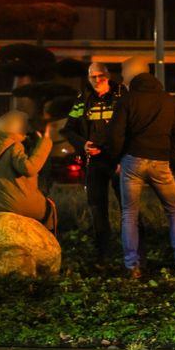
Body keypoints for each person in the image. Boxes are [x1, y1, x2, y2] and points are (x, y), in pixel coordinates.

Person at [102, 72, 175, 278]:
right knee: (174, 211)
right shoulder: (169, 101)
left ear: (134, 86)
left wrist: (116, 158)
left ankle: (132, 266)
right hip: (160, 162)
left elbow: (116, 133)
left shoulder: (128, 100)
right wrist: (167, 155)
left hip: (133, 161)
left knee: (129, 214)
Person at [61, 62, 126, 261]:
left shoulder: (122, 96)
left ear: (108, 75)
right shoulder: (82, 99)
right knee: (97, 208)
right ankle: (103, 255)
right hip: (94, 161)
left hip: (119, 161)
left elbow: (131, 128)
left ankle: (133, 255)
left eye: (101, 76)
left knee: (128, 208)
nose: (97, 80)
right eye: (93, 77)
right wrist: (84, 144)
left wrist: (124, 157)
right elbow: (69, 128)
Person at [0, 110, 57, 235]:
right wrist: (45, 143)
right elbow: (29, 168)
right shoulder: (14, 146)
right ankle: (48, 243)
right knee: (50, 208)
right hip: (17, 204)